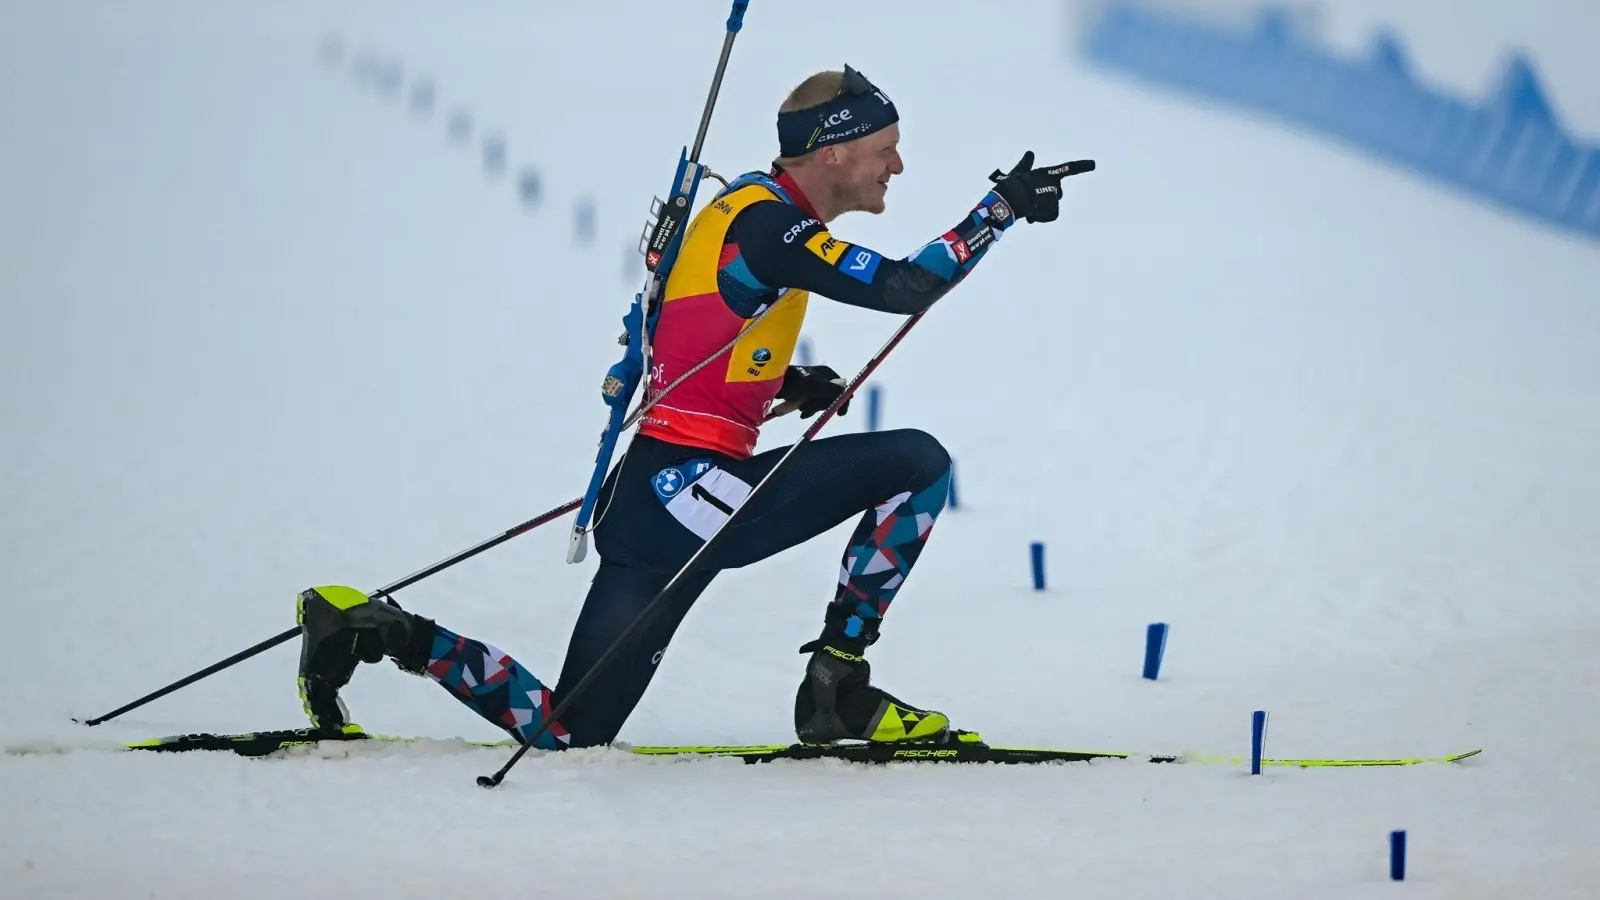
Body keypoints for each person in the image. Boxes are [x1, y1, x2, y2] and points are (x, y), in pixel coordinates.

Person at [295, 65, 1084, 751]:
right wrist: (999, 210)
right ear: (835, 150)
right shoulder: (772, 225)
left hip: (650, 499)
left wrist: (779, 386)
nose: (899, 166)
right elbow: (906, 287)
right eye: (886, 150)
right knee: (918, 465)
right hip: (691, 492)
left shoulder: (742, 209)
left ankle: (378, 629)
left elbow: (688, 331)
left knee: (570, 731)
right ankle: (837, 685)